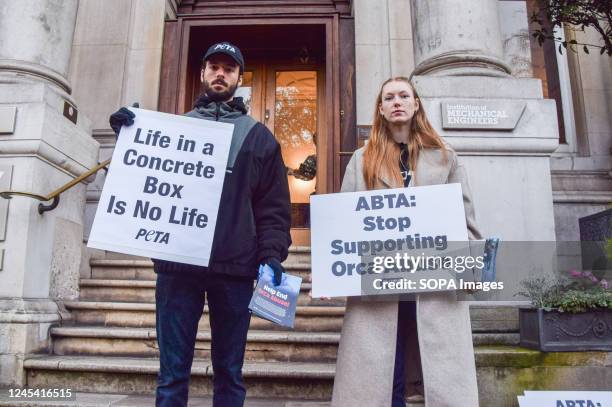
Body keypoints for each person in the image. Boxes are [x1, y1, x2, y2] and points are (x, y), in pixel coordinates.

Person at [109, 42, 292, 407]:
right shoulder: (173, 129)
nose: (220, 74)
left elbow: (272, 207)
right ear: (203, 74)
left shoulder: (259, 138)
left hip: (237, 269)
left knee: (229, 372)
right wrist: (128, 136)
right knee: (172, 373)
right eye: (214, 67)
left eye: (229, 68)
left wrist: (272, 253)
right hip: (178, 266)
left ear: (240, 78)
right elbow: (142, 182)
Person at [331, 77, 482, 407]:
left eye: (404, 96)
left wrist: (470, 269)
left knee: (439, 377)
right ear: (381, 110)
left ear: (416, 105)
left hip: (434, 284)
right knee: (382, 377)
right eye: (389, 97)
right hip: (379, 284)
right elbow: (344, 225)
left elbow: (466, 223)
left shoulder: (446, 158)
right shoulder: (361, 160)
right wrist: (335, 269)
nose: (397, 101)